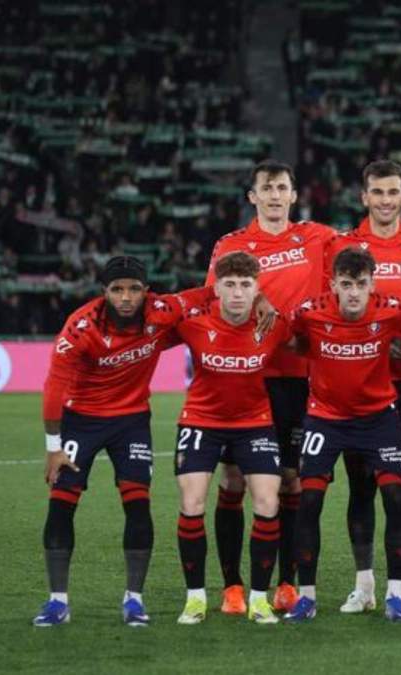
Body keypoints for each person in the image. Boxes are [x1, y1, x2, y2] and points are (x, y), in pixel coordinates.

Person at [204, 159, 401, 615]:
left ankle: (290, 585)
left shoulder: (319, 236)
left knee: (292, 485)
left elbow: (374, 235)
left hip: (300, 378)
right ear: (253, 196)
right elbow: (213, 294)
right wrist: (258, 297)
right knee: (233, 482)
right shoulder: (231, 246)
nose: (274, 196)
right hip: (248, 374)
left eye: (282, 188)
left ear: (293, 196)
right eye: (266, 189)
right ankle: (232, 586)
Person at [33, 256, 215, 627]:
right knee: (62, 505)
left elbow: (208, 295)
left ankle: (134, 600)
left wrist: (257, 299)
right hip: (81, 420)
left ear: (146, 291)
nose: (126, 297)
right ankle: (57, 602)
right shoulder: (81, 328)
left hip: (131, 421)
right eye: (117, 289)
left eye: (134, 288)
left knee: (137, 503)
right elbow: (53, 388)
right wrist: (53, 446)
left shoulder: (162, 310)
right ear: (104, 293)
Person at [327, 161, 401, 612]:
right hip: (358, 382)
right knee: (361, 487)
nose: (386, 200)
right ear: (364, 197)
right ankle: (365, 585)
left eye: (394, 192)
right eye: (378, 192)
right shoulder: (341, 246)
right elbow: (328, 302)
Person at [284, 248, 401, 623]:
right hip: (325, 419)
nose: (354, 293)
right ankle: (306, 597)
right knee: (308, 500)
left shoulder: (393, 309)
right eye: (346, 285)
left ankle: (392, 595)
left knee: (394, 496)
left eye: (361, 284)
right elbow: (292, 339)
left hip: (378, 419)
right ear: (333, 285)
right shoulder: (310, 311)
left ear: (373, 284)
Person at [172, 251, 294, 625]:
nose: (238, 293)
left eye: (245, 285)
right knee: (192, 502)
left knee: (268, 502)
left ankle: (258, 599)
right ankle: (195, 599)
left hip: (254, 422)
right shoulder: (192, 324)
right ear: (218, 288)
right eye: (230, 285)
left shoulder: (274, 325)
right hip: (201, 421)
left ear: (258, 289)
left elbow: (313, 340)